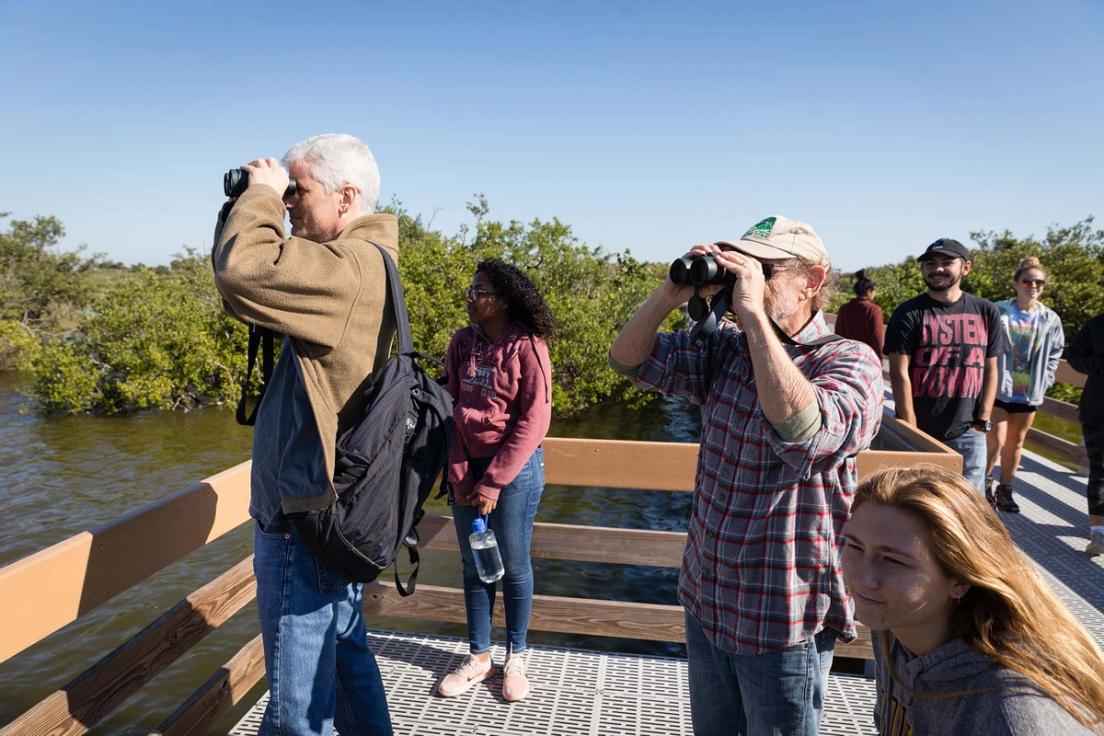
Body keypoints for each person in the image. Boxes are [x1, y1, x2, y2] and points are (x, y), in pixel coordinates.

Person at [609, 215, 884, 735]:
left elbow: (805, 430)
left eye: (765, 268)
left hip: (783, 613)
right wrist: (670, 294)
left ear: (813, 281)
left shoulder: (851, 362)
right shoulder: (725, 346)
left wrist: (754, 317)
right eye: (743, 265)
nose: (748, 277)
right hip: (707, 598)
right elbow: (627, 362)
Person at [212, 133, 395, 735]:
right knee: (346, 670)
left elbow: (244, 272)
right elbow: (248, 298)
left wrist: (258, 197)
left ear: (346, 197)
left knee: (296, 714)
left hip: (301, 523)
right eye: (283, 191)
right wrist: (247, 203)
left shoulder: (348, 271)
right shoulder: (364, 264)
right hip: (329, 515)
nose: (287, 201)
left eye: (298, 190)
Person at [841, 465, 1104, 734]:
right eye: (854, 546)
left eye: (893, 560)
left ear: (960, 578)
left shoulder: (1009, 715)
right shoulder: (895, 627)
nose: (863, 579)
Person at [436, 259, 555, 702]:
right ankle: (479, 657)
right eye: (471, 287)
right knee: (473, 565)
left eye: (480, 290)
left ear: (502, 299)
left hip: (516, 472)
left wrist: (494, 481)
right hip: (467, 467)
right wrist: (461, 470)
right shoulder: (462, 343)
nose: (470, 296)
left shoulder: (527, 345)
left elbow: (535, 418)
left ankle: (517, 655)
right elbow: (448, 403)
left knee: (513, 564)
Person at [885, 238, 1009, 494]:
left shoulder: (985, 311)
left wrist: (983, 420)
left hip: (969, 430)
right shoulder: (908, 313)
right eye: (930, 263)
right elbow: (899, 373)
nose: (937, 269)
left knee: (970, 506)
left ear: (966, 267)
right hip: (921, 428)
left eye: (946, 262)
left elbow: (991, 369)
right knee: (921, 502)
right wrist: (910, 427)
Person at [984, 257, 1065, 512]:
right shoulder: (998, 311)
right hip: (1000, 387)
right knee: (995, 440)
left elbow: (1056, 352)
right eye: (1027, 281)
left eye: (1038, 282)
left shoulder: (1050, 319)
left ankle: (1005, 490)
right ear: (1016, 284)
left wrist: (1047, 379)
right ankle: (983, 486)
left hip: (1028, 393)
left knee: (1016, 444)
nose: (1033, 286)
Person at [1066, 292, 1104, 556]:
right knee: (1100, 470)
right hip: (1097, 410)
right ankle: (1098, 533)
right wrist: (1099, 364)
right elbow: (1074, 356)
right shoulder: (1096, 325)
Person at [834, 269, 885, 360]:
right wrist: (879, 360)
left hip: (844, 357)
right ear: (869, 291)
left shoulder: (844, 308)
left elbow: (838, 333)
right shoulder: (874, 310)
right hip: (865, 360)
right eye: (874, 291)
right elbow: (877, 339)